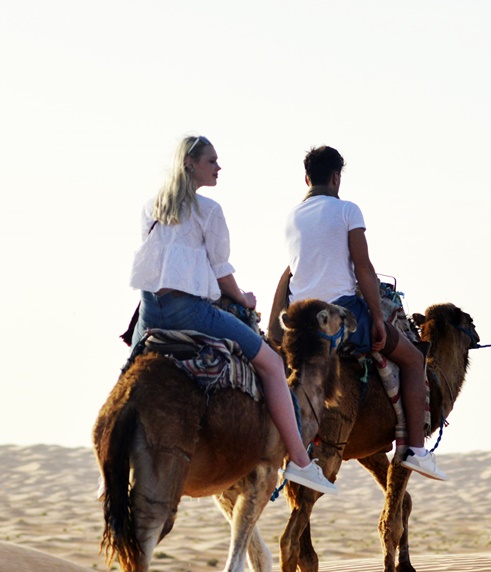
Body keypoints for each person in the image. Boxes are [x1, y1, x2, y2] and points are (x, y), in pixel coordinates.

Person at [128, 135, 337, 496]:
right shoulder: (208, 210)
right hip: (188, 311)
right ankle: (302, 462)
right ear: (191, 164)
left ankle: (110, 470)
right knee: (272, 363)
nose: (218, 167)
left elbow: (159, 264)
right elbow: (221, 271)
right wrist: (245, 299)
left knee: (131, 369)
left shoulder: (152, 206)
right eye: (212, 161)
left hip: (150, 309)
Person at [273, 145, 446, 481]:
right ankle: (414, 449)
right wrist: (378, 319)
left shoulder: (291, 217)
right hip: (341, 313)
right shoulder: (347, 210)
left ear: (307, 178)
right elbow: (363, 268)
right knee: (412, 359)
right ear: (337, 177)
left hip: (300, 319)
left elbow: (294, 271)